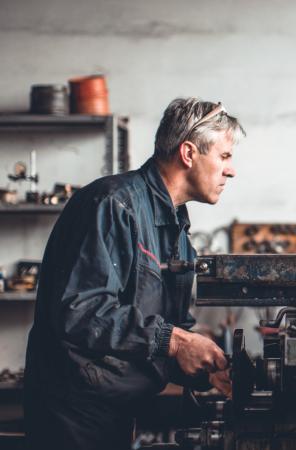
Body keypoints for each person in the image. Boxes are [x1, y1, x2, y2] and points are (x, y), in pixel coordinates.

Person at [23, 98, 244, 449]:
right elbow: (80, 311)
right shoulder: (113, 204)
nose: (231, 170)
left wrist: (203, 367)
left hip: (118, 410)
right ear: (188, 153)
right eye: (225, 157)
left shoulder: (177, 237)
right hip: (73, 417)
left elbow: (160, 333)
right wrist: (175, 341)